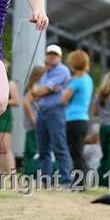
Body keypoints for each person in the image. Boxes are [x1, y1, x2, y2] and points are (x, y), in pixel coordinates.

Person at [32, 45, 72, 187]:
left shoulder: (62, 70)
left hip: (56, 111)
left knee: (59, 146)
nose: (52, 56)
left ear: (60, 57)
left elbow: (41, 91)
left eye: (55, 54)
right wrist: (45, 90)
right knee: (43, 148)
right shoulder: (44, 72)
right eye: (49, 54)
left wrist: (44, 90)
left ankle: (66, 180)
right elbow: (34, 90)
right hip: (42, 111)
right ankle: (45, 180)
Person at [61, 50, 94, 177]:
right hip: (83, 119)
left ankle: (80, 181)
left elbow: (63, 99)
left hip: (73, 119)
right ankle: (83, 178)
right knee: (78, 152)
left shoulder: (76, 80)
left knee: (75, 153)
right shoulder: (88, 79)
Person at [22, 65, 46, 176]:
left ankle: (28, 171)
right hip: (35, 124)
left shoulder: (32, 87)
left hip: (31, 124)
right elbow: (26, 102)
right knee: (34, 149)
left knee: (30, 148)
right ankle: (33, 172)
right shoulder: (35, 87)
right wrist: (34, 119)